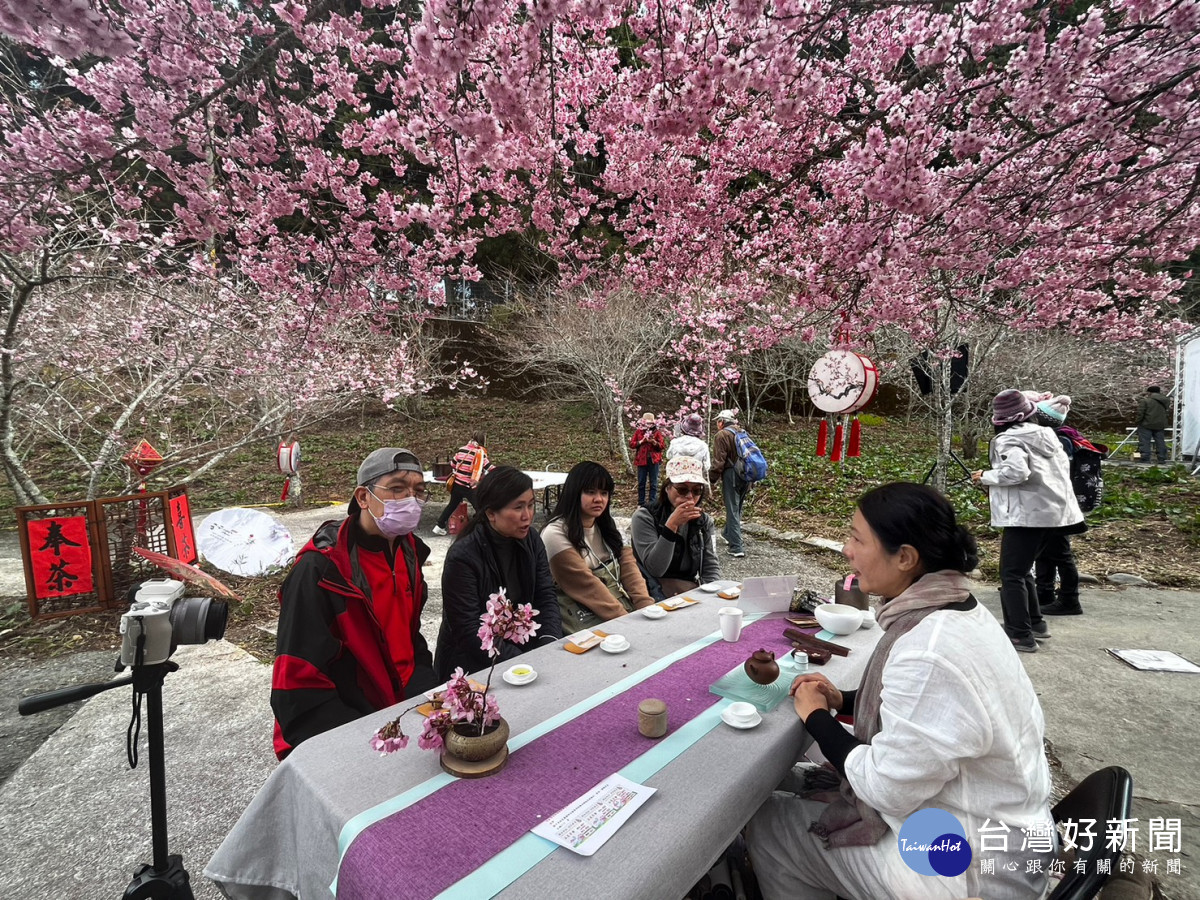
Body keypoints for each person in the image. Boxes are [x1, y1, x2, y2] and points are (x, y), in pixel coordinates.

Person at [746, 482, 1055, 900]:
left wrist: (816, 715)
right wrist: (844, 700)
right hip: (1005, 829)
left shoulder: (928, 650)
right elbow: (933, 713)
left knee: (770, 823)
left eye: (857, 538)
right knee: (802, 782)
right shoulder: (958, 610)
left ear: (905, 557)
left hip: (967, 871)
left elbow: (884, 786)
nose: (845, 549)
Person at [271, 448, 438, 760]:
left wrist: (428, 690)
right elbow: (297, 679)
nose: (411, 500)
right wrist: (354, 742)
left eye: (418, 491)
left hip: (402, 707)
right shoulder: (321, 570)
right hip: (349, 721)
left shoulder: (410, 552)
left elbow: (409, 635)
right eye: (398, 489)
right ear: (363, 497)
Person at [971, 389, 1083, 652]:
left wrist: (985, 476)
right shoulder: (1047, 435)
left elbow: (1016, 472)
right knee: (1022, 570)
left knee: (1011, 574)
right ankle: (1034, 623)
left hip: (1027, 516)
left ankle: (1019, 634)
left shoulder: (1009, 440)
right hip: (1056, 514)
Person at [435, 466, 563, 678]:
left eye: (531, 505)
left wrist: (549, 642)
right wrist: (520, 661)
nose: (527, 516)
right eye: (518, 507)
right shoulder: (463, 556)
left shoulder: (532, 540)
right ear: (491, 513)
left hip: (523, 654)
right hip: (475, 666)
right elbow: (468, 629)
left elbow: (545, 595)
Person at [541, 461, 655, 629]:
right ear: (574, 493)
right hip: (586, 616)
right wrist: (628, 624)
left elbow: (629, 568)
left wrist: (646, 608)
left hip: (619, 610)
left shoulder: (605, 526)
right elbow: (586, 585)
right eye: (590, 492)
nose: (599, 499)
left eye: (604, 493)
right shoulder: (555, 533)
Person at [630, 455, 721, 599]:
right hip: (650, 590)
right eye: (682, 490)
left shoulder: (704, 521)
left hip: (687, 589)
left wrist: (712, 598)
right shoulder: (644, 517)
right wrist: (671, 526)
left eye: (697, 490)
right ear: (667, 489)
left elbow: (710, 566)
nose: (690, 497)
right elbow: (655, 569)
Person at [1032, 395, 1083, 616]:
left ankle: (1070, 600)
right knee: (1045, 550)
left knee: (1061, 553)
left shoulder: (1054, 441)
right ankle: (1044, 591)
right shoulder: (1060, 437)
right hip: (1055, 503)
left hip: (1056, 505)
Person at [432, 432, 493, 535]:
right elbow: (489, 467)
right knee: (480, 507)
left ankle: (439, 526)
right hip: (469, 486)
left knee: (451, 505)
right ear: (482, 441)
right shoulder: (479, 453)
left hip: (457, 484)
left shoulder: (462, 449)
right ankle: (476, 529)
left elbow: (452, 464)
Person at [710, 408, 748, 558]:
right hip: (746, 474)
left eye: (717, 422)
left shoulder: (722, 435)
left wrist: (711, 479)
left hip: (731, 474)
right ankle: (728, 533)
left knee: (732, 509)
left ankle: (736, 547)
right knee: (737, 507)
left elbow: (719, 462)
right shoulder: (742, 432)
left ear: (721, 422)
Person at [630, 412, 667, 507]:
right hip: (641, 460)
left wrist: (654, 442)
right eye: (646, 423)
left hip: (654, 460)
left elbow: (662, 446)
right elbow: (632, 444)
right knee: (641, 482)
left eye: (650, 423)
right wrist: (641, 441)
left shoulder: (657, 432)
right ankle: (641, 503)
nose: (648, 425)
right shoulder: (639, 431)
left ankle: (652, 503)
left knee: (653, 483)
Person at [665, 412, 712, 476]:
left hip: (677, 478)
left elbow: (669, 456)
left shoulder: (675, 443)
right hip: (695, 479)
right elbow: (707, 466)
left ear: (683, 428)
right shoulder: (703, 446)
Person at [1134, 385, 1170, 465]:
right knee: (1160, 441)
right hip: (1160, 424)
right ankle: (1161, 458)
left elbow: (1141, 413)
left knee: (1145, 441)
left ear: (1149, 392)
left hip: (1146, 424)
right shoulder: (1166, 400)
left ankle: (1145, 458)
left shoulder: (1146, 401)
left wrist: (1137, 421)